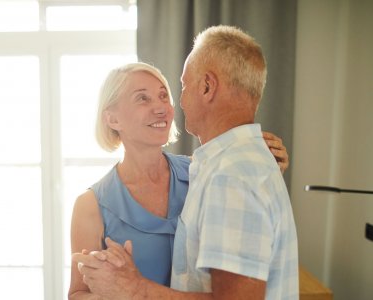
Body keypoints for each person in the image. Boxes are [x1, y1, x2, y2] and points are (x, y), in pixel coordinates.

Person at [69, 59, 292, 298]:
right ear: (113, 119)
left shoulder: (205, 172)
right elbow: (78, 294)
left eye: (164, 96)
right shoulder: (90, 206)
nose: (161, 107)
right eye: (143, 98)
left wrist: (264, 169)